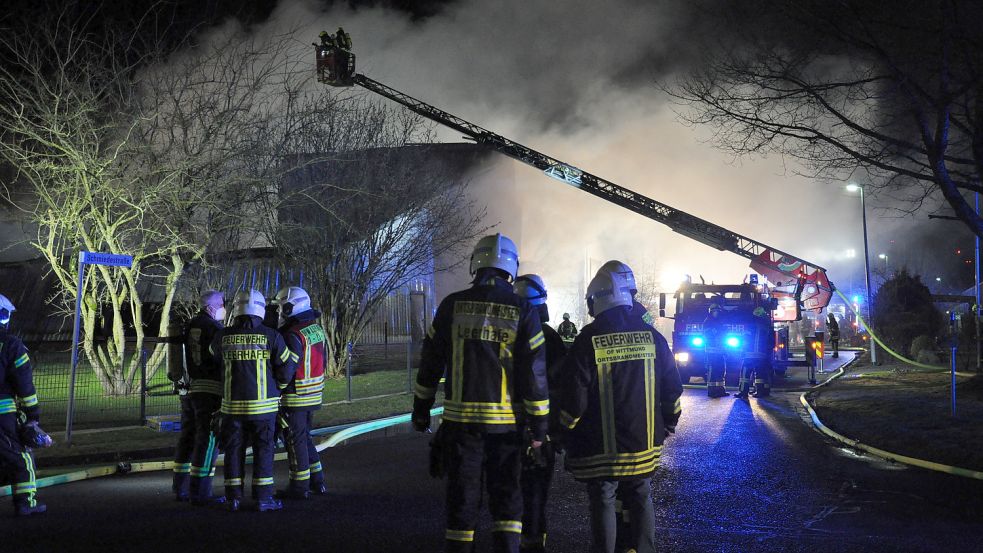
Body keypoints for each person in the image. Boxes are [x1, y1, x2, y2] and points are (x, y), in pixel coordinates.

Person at [412, 233, 549, 553]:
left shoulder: (451, 306)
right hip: (507, 428)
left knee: (462, 501)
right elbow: (535, 375)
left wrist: (421, 410)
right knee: (507, 503)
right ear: (511, 269)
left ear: (476, 264)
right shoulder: (523, 311)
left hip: (462, 427)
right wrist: (539, 428)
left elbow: (430, 362)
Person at [556, 262, 683, 553]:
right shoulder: (653, 336)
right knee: (640, 495)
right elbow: (672, 389)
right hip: (643, 444)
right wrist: (668, 422)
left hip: (601, 448)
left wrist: (563, 429)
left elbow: (574, 398)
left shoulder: (588, 339)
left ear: (598, 299)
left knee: (602, 497)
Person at [210, 289, 297, 512]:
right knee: (263, 450)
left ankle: (233, 498)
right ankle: (263, 498)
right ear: (259, 309)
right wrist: (278, 388)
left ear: (236, 310)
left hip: (231, 408)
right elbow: (286, 368)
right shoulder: (272, 336)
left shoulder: (222, 336)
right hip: (264, 409)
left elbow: (214, 361)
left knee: (233, 451)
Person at [513, 274, 567, 553]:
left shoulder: (506, 332)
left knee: (511, 488)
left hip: (506, 426)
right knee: (536, 488)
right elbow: (559, 386)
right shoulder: (549, 337)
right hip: (540, 429)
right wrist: (556, 431)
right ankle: (534, 541)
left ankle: (514, 539)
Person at [274, 286, 328, 500]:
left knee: (295, 441)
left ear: (290, 307)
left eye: (281, 307)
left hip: (296, 394)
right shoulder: (314, 329)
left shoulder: (292, 334)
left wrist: (277, 385)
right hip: (313, 393)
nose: (279, 312)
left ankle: (299, 486)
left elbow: (288, 368)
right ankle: (318, 481)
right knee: (305, 438)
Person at [0, 293, 51, 516]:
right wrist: (33, 415)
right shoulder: (11, 345)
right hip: (3, 415)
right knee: (21, 458)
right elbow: (24, 385)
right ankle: (26, 503)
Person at [182, 291, 226, 505]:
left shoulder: (192, 325)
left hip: (194, 388)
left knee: (192, 436)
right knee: (208, 439)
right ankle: (200, 492)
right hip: (211, 389)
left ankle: (184, 487)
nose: (223, 307)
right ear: (212, 306)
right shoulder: (215, 328)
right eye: (221, 304)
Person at [735, 306, 772, 400]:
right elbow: (770, 341)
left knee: (745, 374)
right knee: (759, 374)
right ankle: (759, 392)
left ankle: (743, 392)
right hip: (761, 355)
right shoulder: (766, 325)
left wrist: (742, 350)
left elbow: (745, 339)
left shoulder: (750, 324)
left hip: (749, 354)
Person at [703, 302, 728, 398]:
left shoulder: (719, 322)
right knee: (712, 371)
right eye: (715, 311)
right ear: (711, 312)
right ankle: (711, 391)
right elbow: (709, 335)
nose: (716, 313)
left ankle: (720, 390)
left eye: (718, 311)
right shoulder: (708, 322)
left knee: (721, 370)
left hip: (720, 351)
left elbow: (723, 336)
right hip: (711, 352)